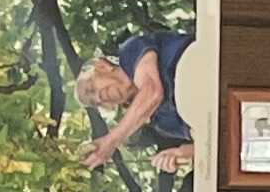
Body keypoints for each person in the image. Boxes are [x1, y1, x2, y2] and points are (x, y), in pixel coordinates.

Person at [72, 24, 196, 172]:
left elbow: (153, 92)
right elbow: (206, 138)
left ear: (102, 66)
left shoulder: (130, 52)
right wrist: (182, 152)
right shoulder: (160, 121)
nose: (99, 98)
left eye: (91, 89)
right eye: (95, 103)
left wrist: (111, 140)